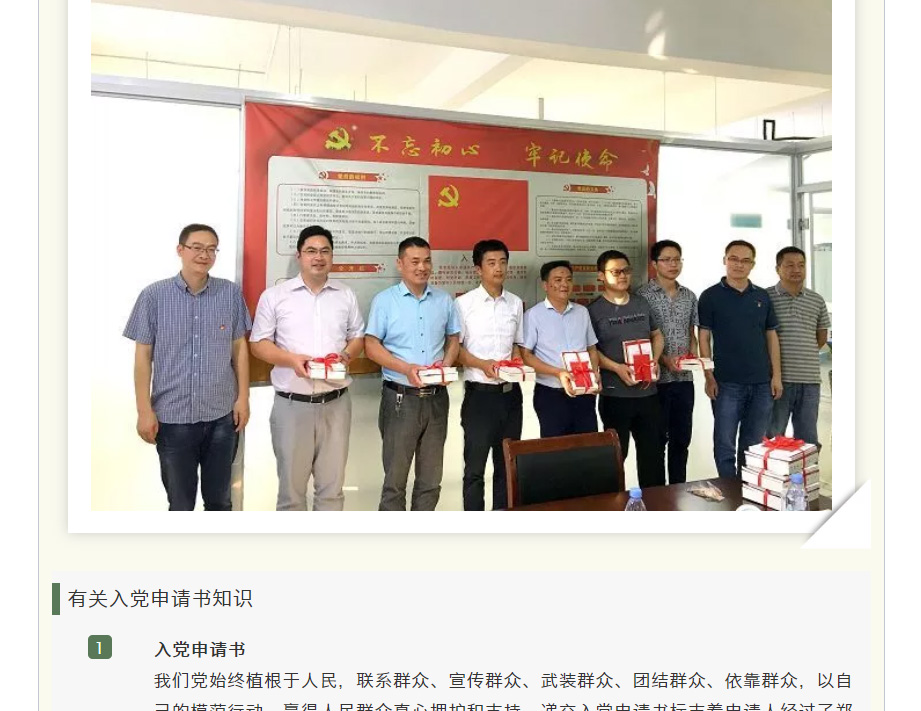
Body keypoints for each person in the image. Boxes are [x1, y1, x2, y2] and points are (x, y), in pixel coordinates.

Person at [124, 223, 252, 511]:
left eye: (211, 249)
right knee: (180, 504)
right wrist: (144, 410)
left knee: (220, 502)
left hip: (221, 416)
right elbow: (143, 355)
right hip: (173, 418)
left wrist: (243, 398)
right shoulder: (153, 296)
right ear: (180, 250)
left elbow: (239, 348)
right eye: (197, 247)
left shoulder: (230, 294)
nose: (204, 255)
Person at [250, 225, 365, 511]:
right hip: (292, 406)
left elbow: (358, 337)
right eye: (311, 251)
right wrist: (291, 360)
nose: (318, 257)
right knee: (291, 495)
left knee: (332, 492)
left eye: (325, 251)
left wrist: (346, 355)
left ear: (332, 256)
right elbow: (258, 344)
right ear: (299, 256)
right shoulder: (275, 296)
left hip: (336, 404)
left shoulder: (345, 294)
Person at [365, 237, 461, 511]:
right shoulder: (385, 301)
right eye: (415, 261)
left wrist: (446, 365)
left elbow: (453, 338)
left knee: (430, 481)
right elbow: (371, 345)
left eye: (427, 261)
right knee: (395, 483)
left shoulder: (443, 300)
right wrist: (406, 369)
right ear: (400, 264)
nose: (422, 267)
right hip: (400, 400)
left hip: (437, 399)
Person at [698, 240, 782, 478]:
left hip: (761, 383)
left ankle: (747, 492)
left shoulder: (762, 296)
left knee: (753, 446)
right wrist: (708, 376)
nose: (739, 265)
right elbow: (703, 338)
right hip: (726, 383)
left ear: (753, 264)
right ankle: (730, 492)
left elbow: (771, 336)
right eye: (733, 259)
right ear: (724, 260)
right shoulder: (710, 296)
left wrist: (776, 376)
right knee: (725, 445)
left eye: (746, 261)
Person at [454, 239, 524, 511]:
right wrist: (482, 364)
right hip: (479, 397)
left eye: (503, 262)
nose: (498, 268)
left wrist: (516, 361)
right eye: (491, 263)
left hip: (510, 396)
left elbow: (517, 344)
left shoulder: (515, 303)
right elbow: (456, 350)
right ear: (478, 269)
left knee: (507, 466)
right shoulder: (464, 304)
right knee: (474, 469)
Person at [589, 250, 666, 488]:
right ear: (601, 276)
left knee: (653, 458)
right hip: (615, 396)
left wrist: (655, 360)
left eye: (626, 270)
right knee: (614, 460)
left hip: (648, 394)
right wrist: (616, 368)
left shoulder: (641, 302)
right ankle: (613, 506)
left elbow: (657, 335)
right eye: (615, 272)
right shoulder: (593, 310)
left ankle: (655, 504)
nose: (622, 276)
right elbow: (592, 351)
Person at [637, 239, 699, 484]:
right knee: (655, 442)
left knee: (681, 440)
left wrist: (693, 359)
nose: (673, 264)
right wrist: (662, 359)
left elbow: (691, 334)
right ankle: (657, 496)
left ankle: (678, 491)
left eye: (677, 259)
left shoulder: (689, 296)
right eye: (666, 260)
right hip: (655, 382)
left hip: (684, 380)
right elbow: (641, 339)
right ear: (654, 264)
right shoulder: (642, 296)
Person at [520, 260, 600, 437]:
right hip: (551, 394)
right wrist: (558, 373)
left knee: (588, 444)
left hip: (584, 391)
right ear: (545, 285)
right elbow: (526, 356)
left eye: (568, 279)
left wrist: (594, 372)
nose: (564, 284)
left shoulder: (582, 312)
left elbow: (592, 349)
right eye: (558, 280)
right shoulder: (533, 315)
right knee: (556, 448)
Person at [766, 246, 831, 448]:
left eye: (801, 265)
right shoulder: (765, 297)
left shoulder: (816, 300)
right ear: (778, 269)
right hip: (777, 380)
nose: (796, 270)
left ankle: (807, 470)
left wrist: (803, 351)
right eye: (790, 265)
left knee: (808, 439)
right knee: (773, 437)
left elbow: (821, 337)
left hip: (810, 380)